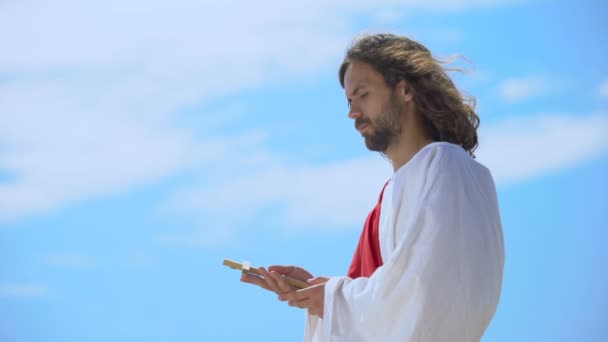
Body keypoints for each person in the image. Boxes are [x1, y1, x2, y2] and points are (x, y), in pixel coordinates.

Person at [240, 33, 505, 342]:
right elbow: (381, 297)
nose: (352, 112)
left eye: (362, 94)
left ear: (405, 89)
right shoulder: (385, 202)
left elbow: (434, 291)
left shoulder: (447, 166)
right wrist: (317, 292)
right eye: (349, 101)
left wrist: (334, 297)